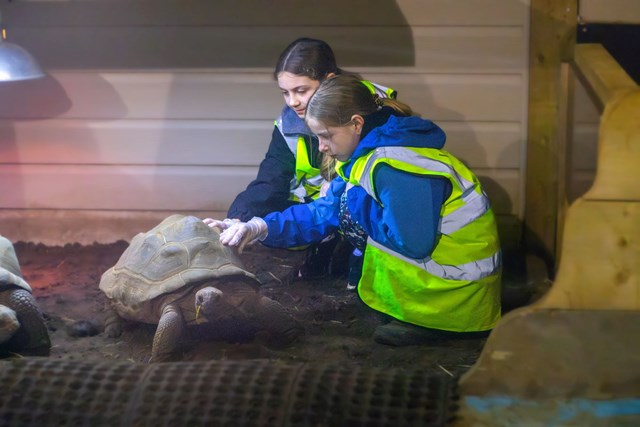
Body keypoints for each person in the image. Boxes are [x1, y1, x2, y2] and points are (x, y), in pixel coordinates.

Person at [204, 73, 502, 346]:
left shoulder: (397, 166)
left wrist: (357, 205)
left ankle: (431, 325)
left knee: (350, 204)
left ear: (356, 124)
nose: (321, 147)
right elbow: (321, 212)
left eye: (326, 135)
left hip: (454, 303)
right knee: (346, 202)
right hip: (445, 287)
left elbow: (414, 242)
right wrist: (257, 227)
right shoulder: (373, 153)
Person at [223, 37, 396, 284]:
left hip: (359, 203)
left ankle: (353, 254)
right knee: (261, 214)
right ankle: (325, 243)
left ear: (328, 80)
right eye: (285, 92)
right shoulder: (288, 123)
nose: (292, 102)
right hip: (320, 206)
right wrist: (240, 220)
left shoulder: (370, 111)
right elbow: (270, 180)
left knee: (351, 201)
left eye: (301, 91)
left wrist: (338, 185)